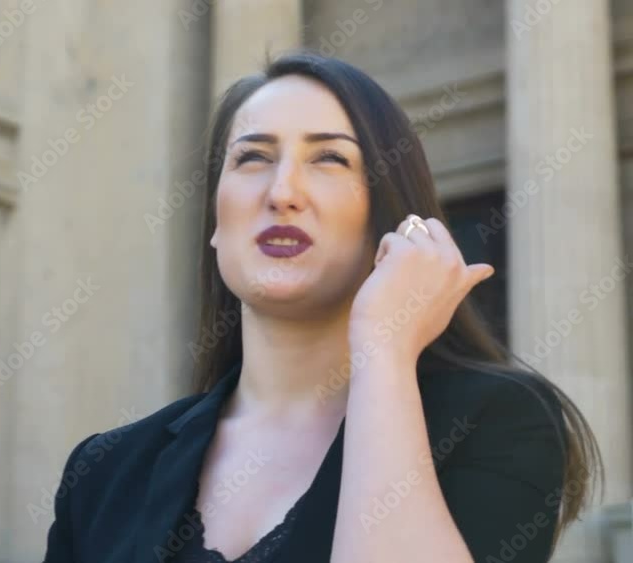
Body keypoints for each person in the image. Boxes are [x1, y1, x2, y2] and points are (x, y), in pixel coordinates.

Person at [41, 52, 600, 563]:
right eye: (253, 158)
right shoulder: (104, 471)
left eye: (329, 158)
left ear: (391, 218)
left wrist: (384, 349)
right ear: (216, 224)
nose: (282, 191)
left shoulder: (498, 420)